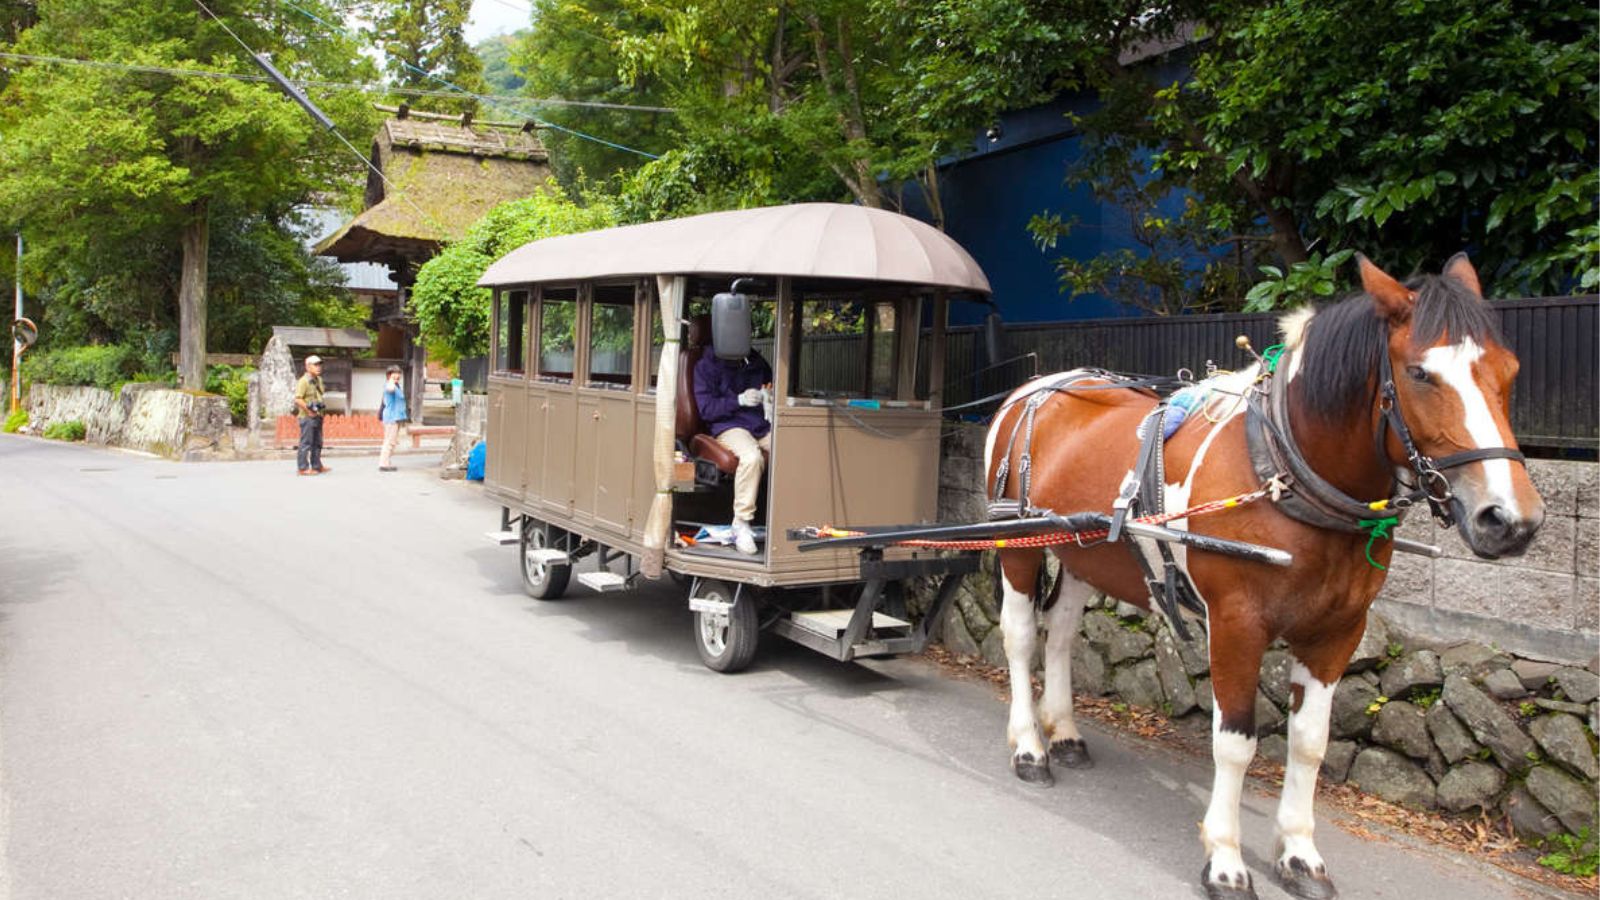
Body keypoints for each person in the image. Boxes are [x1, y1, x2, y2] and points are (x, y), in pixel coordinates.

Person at [693, 341, 772, 554]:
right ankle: (742, 523)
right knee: (752, 457)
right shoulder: (705, 366)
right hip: (728, 425)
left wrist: (767, 396)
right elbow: (707, 410)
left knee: (792, 450)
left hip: (760, 424)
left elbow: (769, 384)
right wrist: (738, 400)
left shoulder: (756, 361)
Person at [293, 355, 330, 476]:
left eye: (319, 365)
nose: (318, 367)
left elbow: (320, 394)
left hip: (318, 414)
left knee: (318, 442)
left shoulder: (318, 380)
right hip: (307, 416)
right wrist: (308, 409)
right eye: (315, 365)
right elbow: (298, 399)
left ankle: (316, 465)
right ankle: (303, 467)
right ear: (308, 366)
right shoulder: (303, 381)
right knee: (306, 442)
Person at [377, 365, 407, 472]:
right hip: (391, 417)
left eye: (399, 374)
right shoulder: (389, 385)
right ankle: (384, 463)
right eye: (394, 374)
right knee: (389, 441)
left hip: (396, 417)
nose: (397, 376)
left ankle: (387, 462)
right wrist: (391, 381)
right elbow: (390, 388)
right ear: (389, 375)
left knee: (392, 441)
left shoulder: (397, 385)